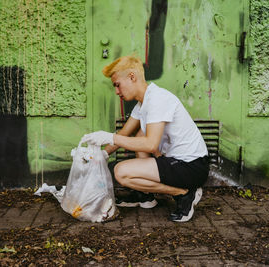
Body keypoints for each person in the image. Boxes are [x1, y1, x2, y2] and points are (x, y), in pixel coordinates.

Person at [81, 55, 209, 222]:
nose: (116, 91)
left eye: (118, 85)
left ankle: (184, 193)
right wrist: (102, 155)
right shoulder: (143, 103)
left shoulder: (157, 99)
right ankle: (145, 196)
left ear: (132, 77)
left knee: (121, 172)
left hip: (192, 167)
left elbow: (150, 144)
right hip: (174, 161)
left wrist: (108, 137)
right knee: (139, 133)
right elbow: (123, 135)